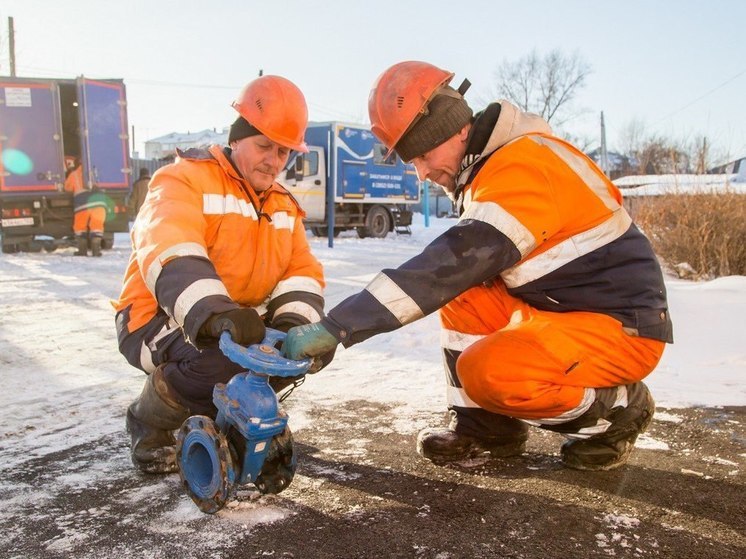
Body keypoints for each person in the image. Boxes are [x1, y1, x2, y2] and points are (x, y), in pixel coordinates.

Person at [284, 61, 673, 471]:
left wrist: (339, 326)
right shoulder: (493, 168)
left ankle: (618, 411)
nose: (421, 173)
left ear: (458, 130)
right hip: (563, 311)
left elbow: (445, 266)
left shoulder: (521, 169)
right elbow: (459, 276)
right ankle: (486, 427)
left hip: (622, 327)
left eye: (423, 154)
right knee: (466, 292)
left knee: (488, 371)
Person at [114, 75, 332, 484]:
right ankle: (149, 426)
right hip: (151, 317)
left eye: (283, 151)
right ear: (237, 139)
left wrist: (293, 326)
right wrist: (216, 314)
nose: (273, 159)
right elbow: (169, 245)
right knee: (216, 359)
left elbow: (300, 272)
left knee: (283, 356)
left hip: (229, 321)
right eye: (264, 145)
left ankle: (232, 422)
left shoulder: (284, 205)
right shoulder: (182, 180)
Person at [64, 157, 108, 256]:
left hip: (83, 205)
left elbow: (67, 188)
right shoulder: (96, 172)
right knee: (97, 227)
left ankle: (82, 250)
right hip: (99, 203)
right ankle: (96, 251)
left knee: (80, 227)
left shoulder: (74, 174)